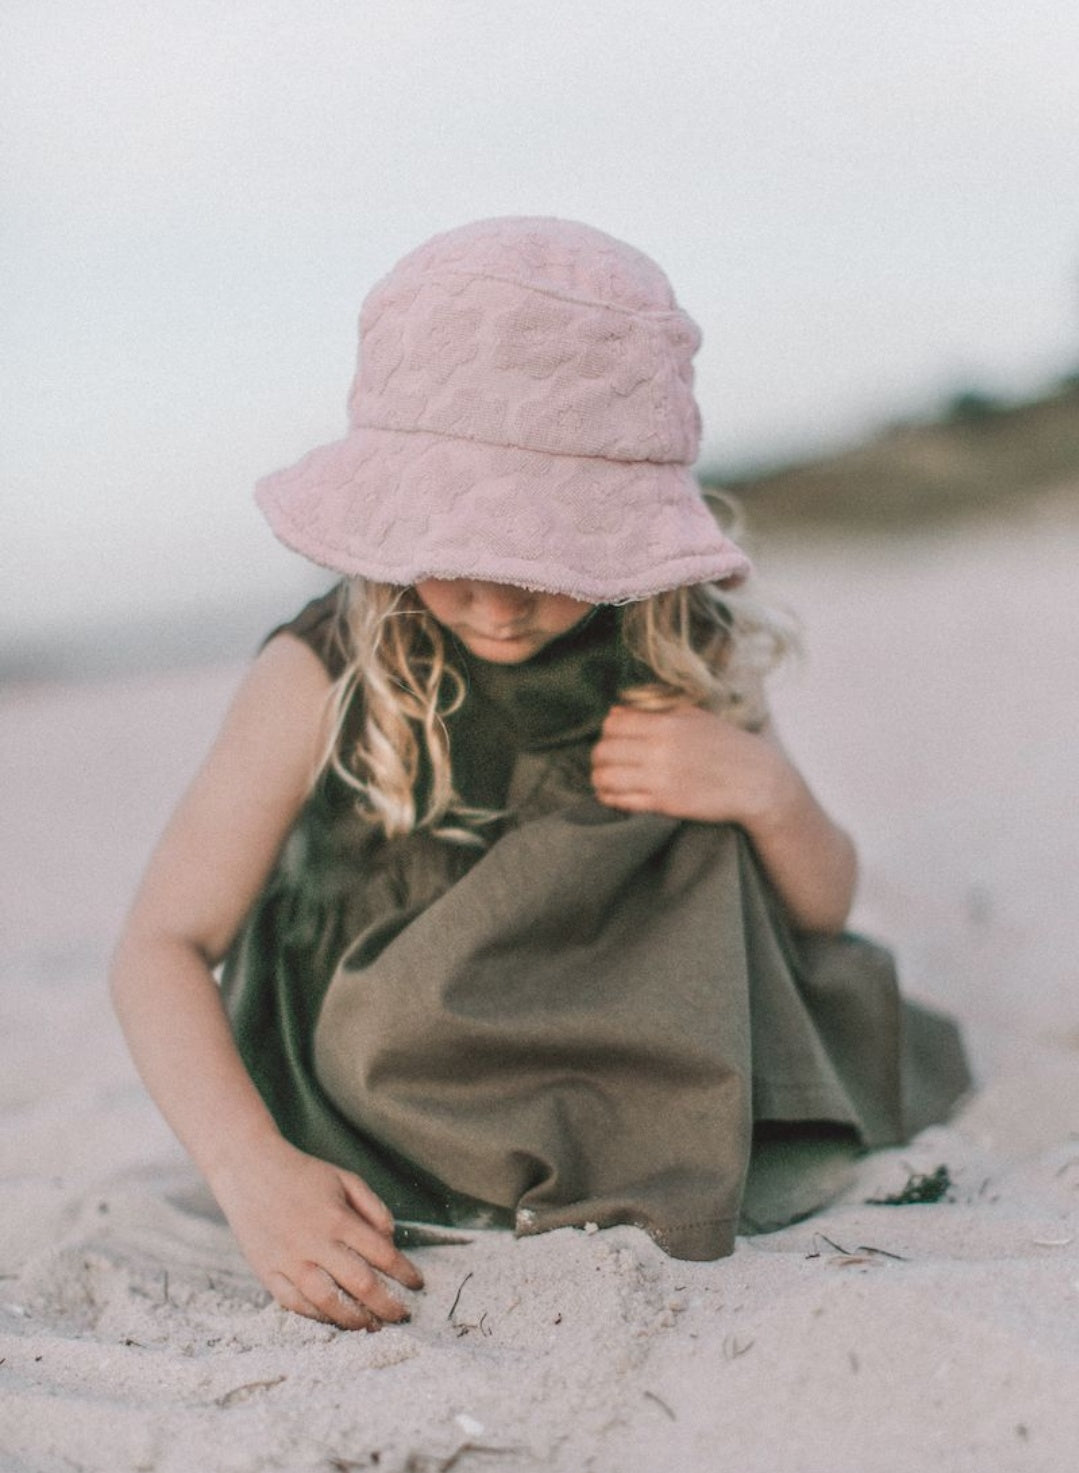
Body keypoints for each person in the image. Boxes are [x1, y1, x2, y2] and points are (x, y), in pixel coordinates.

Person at [110, 217, 969, 1334]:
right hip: (399, 1053)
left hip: (626, 1012)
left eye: (554, 556)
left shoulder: (672, 642)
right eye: (458, 551)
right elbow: (159, 944)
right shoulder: (321, 669)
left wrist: (766, 793)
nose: (501, 600)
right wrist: (247, 1170)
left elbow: (823, 908)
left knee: (700, 813)